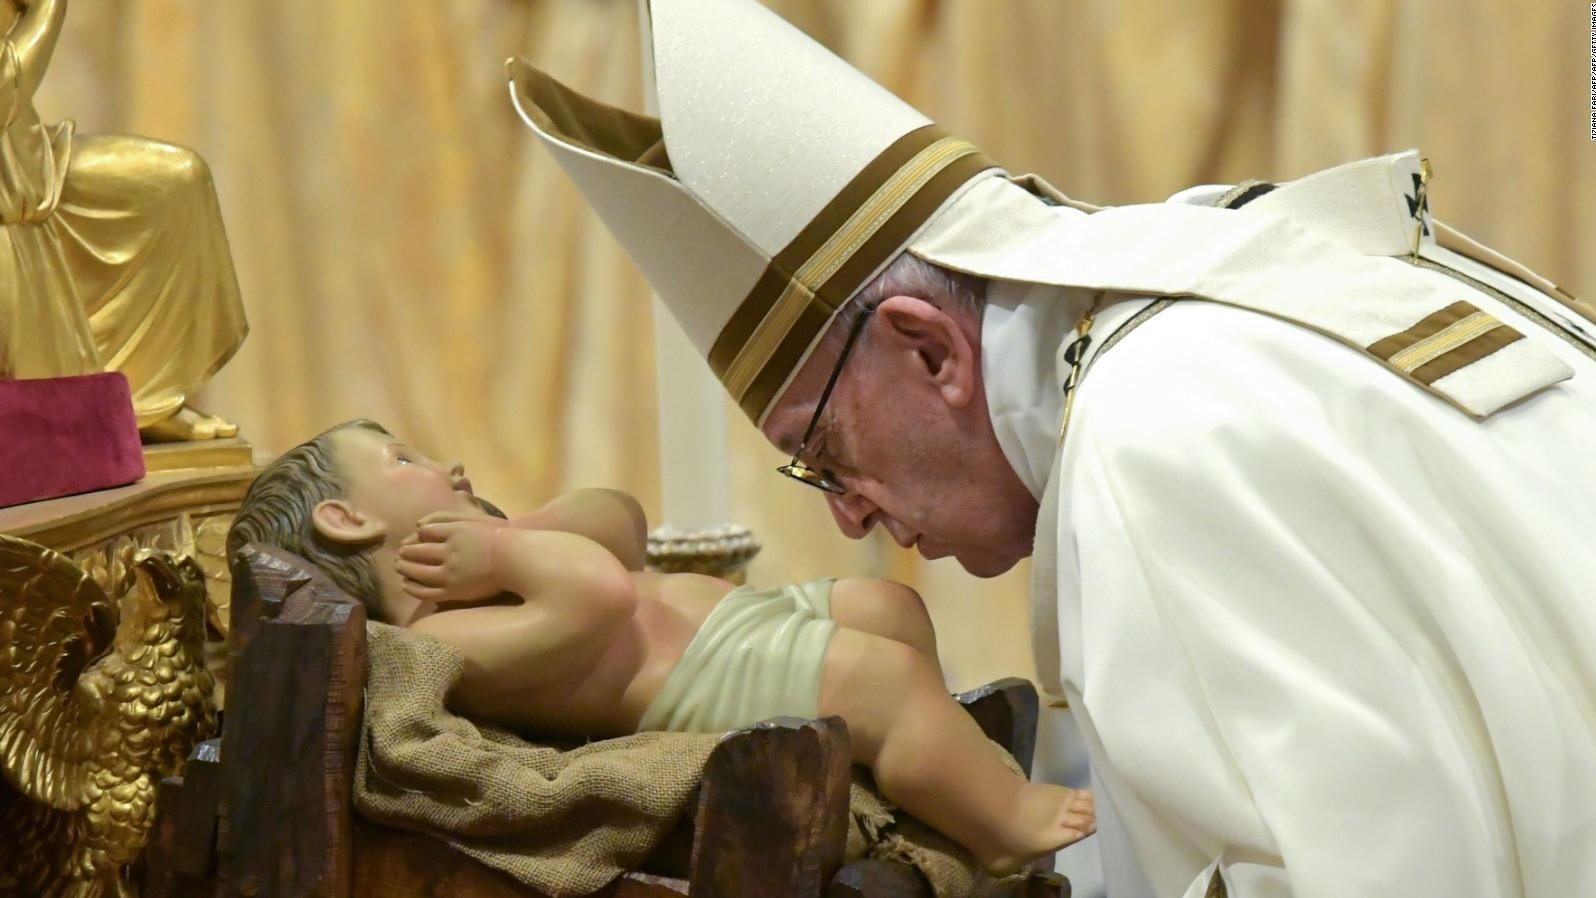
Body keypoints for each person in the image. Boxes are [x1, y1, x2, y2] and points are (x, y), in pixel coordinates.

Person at [507, 1, 1596, 895]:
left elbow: (1377, 870)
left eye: (826, 448)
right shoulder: (1208, 287)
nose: (842, 512)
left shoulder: (1149, 430)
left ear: (929, 348)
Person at [225, 419, 1096, 874]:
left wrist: (511, 529)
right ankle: (1000, 825)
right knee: (889, 680)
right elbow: (598, 597)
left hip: (737, 622)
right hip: (704, 680)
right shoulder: (440, 637)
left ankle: (927, 775)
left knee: (891, 607)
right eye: (403, 459)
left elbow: (622, 527)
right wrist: (502, 552)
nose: (446, 465)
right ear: (348, 519)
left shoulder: (496, 561)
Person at [0, 0, 247, 441]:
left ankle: (146, 401)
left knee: (178, 186)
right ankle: (66, 426)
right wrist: (44, 12)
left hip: (23, 158)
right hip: (10, 181)